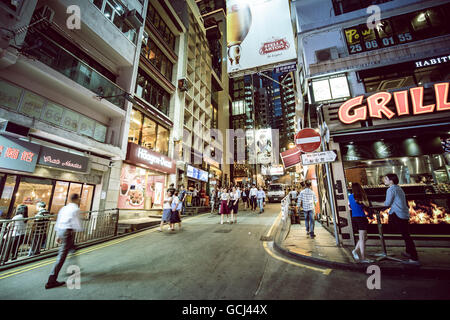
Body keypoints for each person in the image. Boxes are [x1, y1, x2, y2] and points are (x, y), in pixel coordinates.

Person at [45, 193, 83, 289]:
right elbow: (77, 224)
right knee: (62, 255)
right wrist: (82, 233)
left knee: (72, 249)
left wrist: (58, 235)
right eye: (79, 199)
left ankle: (72, 267)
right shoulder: (76, 209)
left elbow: (59, 221)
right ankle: (51, 280)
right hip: (68, 233)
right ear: (77, 199)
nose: (80, 201)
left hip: (62, 231)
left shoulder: (64, 208)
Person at [384, 173, 419, 265]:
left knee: (406, 236)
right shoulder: (398, 188)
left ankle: (414, 259)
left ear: (391, 181)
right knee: (406, 234)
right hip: (404, 214)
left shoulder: (391, 189)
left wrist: (375, 203)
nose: (384, 180)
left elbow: (387, 203)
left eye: (386, 179)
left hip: (399, 215)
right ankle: (408, 252)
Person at [349, 183, 373, 263]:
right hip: (361, 218)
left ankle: (355, 250)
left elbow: (349, 207)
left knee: (364, 237)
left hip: (354, 218)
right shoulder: (361, 196)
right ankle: (363, 258)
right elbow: (367, 204)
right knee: (362, 238)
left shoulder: (350, 197)